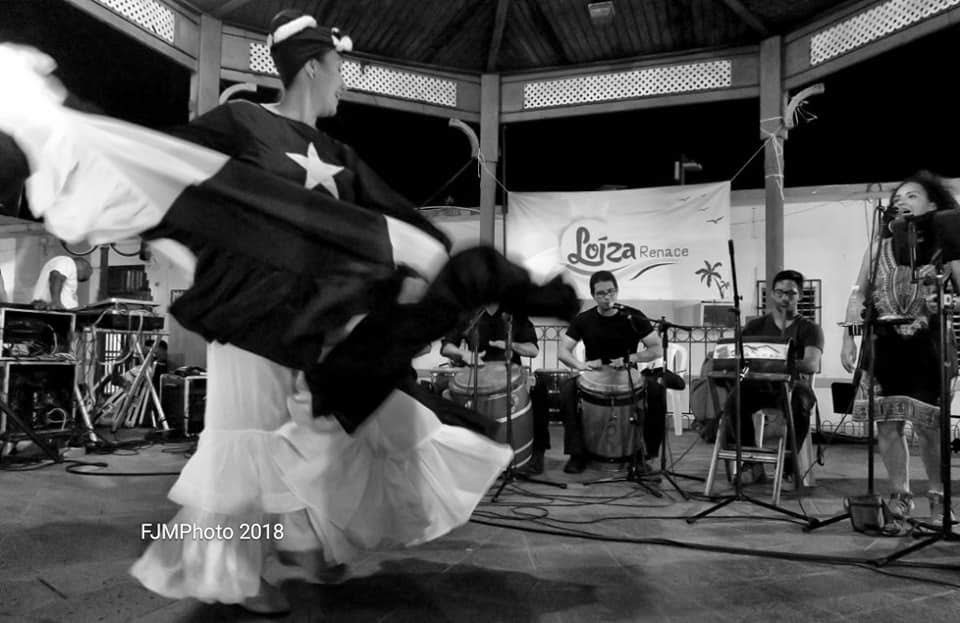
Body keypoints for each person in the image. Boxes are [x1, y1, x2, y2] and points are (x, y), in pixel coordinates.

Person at [125, 12, 535, 615]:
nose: (343, 83)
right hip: (250, 320)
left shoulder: (339, 153)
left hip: (320, 324)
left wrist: (442, 268)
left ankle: (305, 542)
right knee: (248, 440)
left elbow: (391, 221)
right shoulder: (243, 122)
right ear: (313, 66)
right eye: (339, 70)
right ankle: (236, 567)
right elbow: (166, 163)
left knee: (337, 429)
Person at [842, 170, 960, 532]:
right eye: (899, 198)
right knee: (888, 425)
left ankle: (939, 502)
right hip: (885, 345)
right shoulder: (878, 248)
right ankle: (900, 499)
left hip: (929, 343)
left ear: (933, 204)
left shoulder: (947, 242)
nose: (901, 202)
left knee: (930, 427)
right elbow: (858, 292)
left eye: (912, 196)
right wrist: (850, 335)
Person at [556, 270, 665, 474]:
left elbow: (656, 348)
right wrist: (581, 365)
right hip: (593, 376)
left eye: (611, 291)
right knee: (566, 390)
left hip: (628, 373)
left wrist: (631, 358)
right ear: (593, 295)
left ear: (617, 291)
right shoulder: (584, 319)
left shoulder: (633, 317)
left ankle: (645, 453)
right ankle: (576, 453)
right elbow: (563, 351)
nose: (607, 297)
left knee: (657, 393)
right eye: (601, 293)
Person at [725, 269, 823, 485]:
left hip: (792, 386)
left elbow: (811, 364)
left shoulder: (809, 329)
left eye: (791, 293)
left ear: (800, 296)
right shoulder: (755, 326)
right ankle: (752, 464)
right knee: (734, 400)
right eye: (780, 293)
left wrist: (777, 362)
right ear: (771, 294)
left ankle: (787, 465)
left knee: (801, 402)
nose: (785, 298)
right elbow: (742, 357)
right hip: (759, 385)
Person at [441, 303, 544, 471]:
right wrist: (464, 354)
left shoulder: (515, 313)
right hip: (476, 373)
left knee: (539, 389)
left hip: (512, 373)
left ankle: (538, 452)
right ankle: (459, 455)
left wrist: (510, 345)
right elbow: (447, 346)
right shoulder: (469, 314)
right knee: (442, 391)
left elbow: (533, 350)